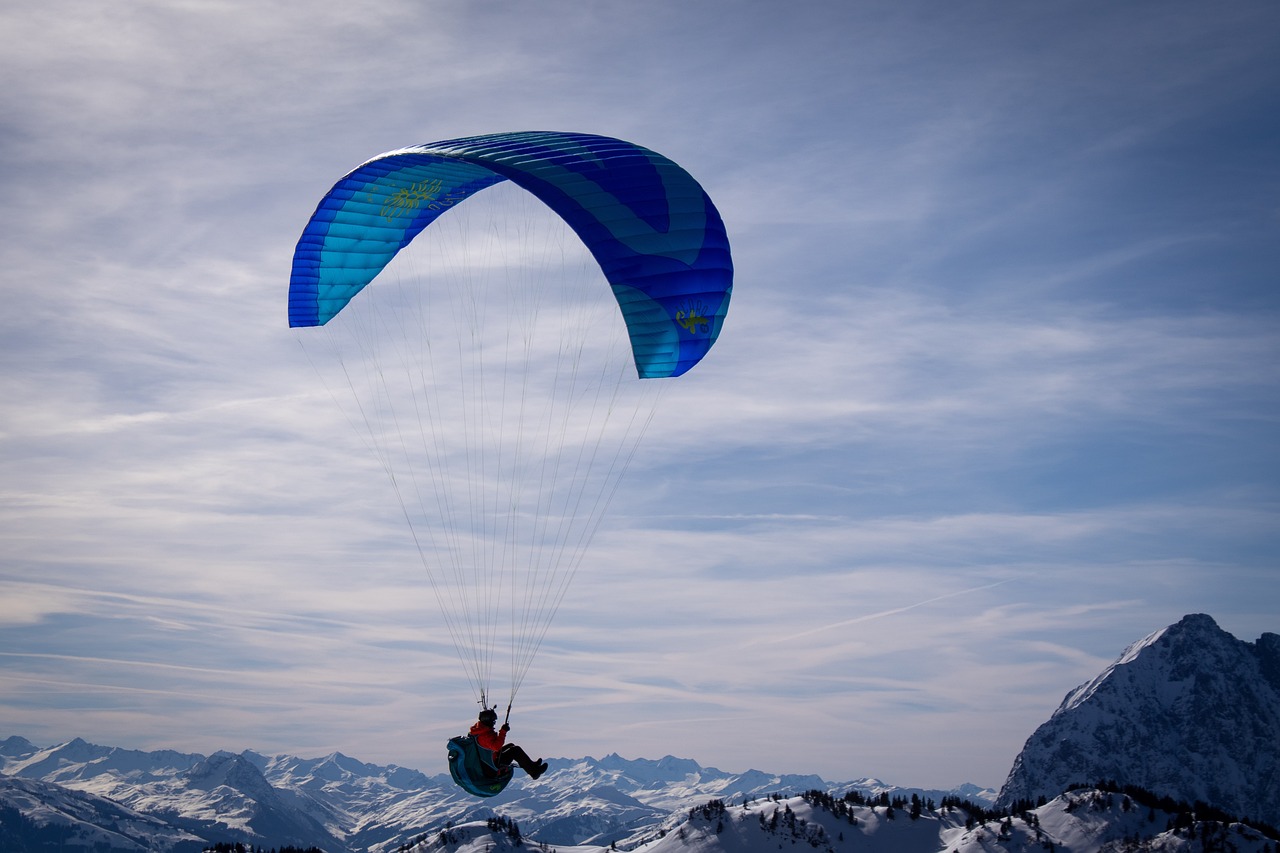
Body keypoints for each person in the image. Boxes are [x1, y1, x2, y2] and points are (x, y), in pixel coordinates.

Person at [470, 708, 548, 780]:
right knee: (515, 750)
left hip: (489, 759)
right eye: (493, 721)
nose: (494, 723)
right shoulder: (484, 735)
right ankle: (534, 772)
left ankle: (531, 765)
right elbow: (496, 747)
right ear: (488, 721)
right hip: (492, 766)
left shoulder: (479, 730)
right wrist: (503, 732)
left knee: (511, 745)